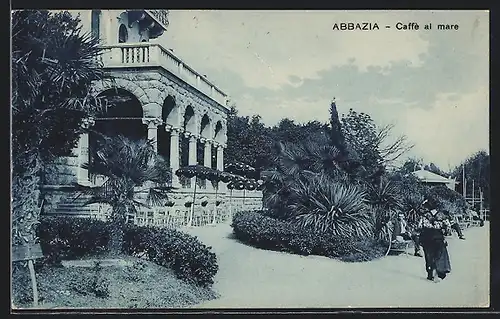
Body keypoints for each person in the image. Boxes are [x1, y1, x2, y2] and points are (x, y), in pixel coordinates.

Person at [418, 209, 452, 282]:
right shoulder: (442, 215)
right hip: (438, 239)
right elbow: (448, 228)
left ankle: (430, 273)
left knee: (428, 256)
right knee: (438, 256)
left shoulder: (425, 215)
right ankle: (437, 273)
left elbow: (420, 226)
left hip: (426, 238)